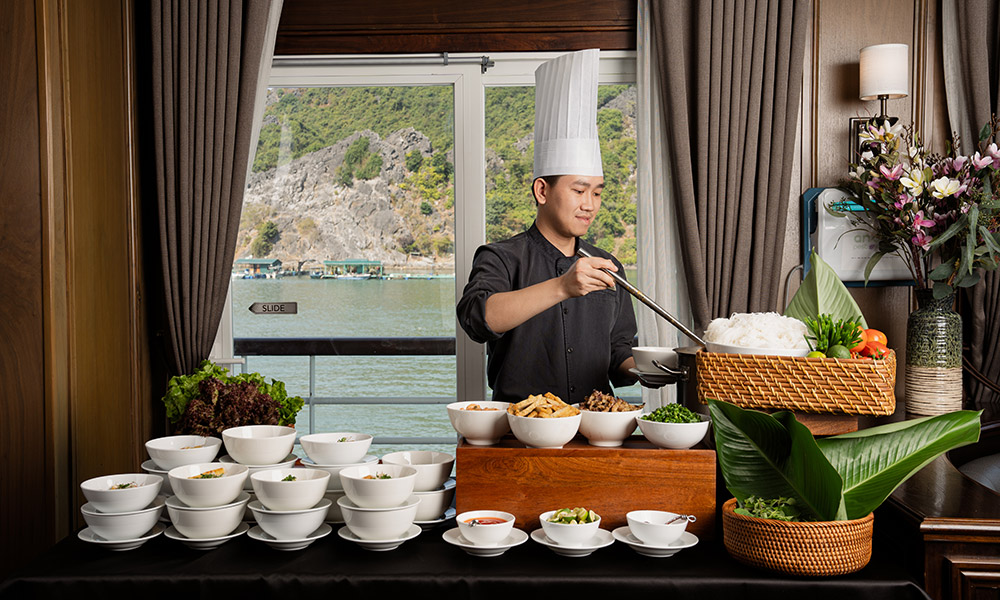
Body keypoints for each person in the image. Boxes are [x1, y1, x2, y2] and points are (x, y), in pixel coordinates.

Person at [456, 49, 638, 405]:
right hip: (517, 431)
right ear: (542, 190)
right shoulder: (501, 257)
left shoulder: (608, 266)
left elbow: (618, 356)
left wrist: (649, 368)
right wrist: (562, 286)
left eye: (597, 192)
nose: (590, 204)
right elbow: (478, 319)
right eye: (579, 190)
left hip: (595, 432)